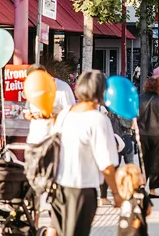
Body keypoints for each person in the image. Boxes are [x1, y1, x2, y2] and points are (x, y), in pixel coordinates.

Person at [51, 70, 122, 236]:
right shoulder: (97, 119)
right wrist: (116, 193)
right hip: (82, 189)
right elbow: (106, 163)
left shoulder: (64, 114)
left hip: (58, 186)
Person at [24, 64, 77, 145]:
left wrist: (50, 115)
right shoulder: (32, 87)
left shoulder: (62, 88)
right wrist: (29, 115)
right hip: (34, 139)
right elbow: (27, 110)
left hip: (54, 140)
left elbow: (71, 113)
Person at [116, 164, 152, 236]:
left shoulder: (123, 194)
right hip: (138, 231)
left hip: (123, 231)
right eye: (139, 174)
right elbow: (148, 211)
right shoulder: (141, 195)